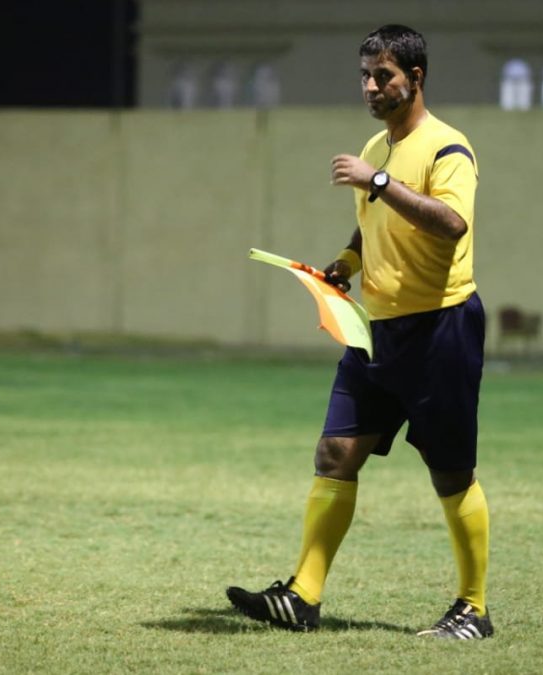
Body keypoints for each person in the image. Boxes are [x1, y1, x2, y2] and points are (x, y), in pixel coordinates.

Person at [227, 24, 492, 640]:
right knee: (335, 452)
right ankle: (303, 596)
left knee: (450, 471)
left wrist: (378, 181)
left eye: (383, 76)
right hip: (378, 330)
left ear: (415, 78)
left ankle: (474, 609)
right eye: (365, 77)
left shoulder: (448, 148)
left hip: (442, 328)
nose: (371, 87)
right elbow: (374, 224)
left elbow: (451, 222)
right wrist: (346, 261)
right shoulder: (377, 146)